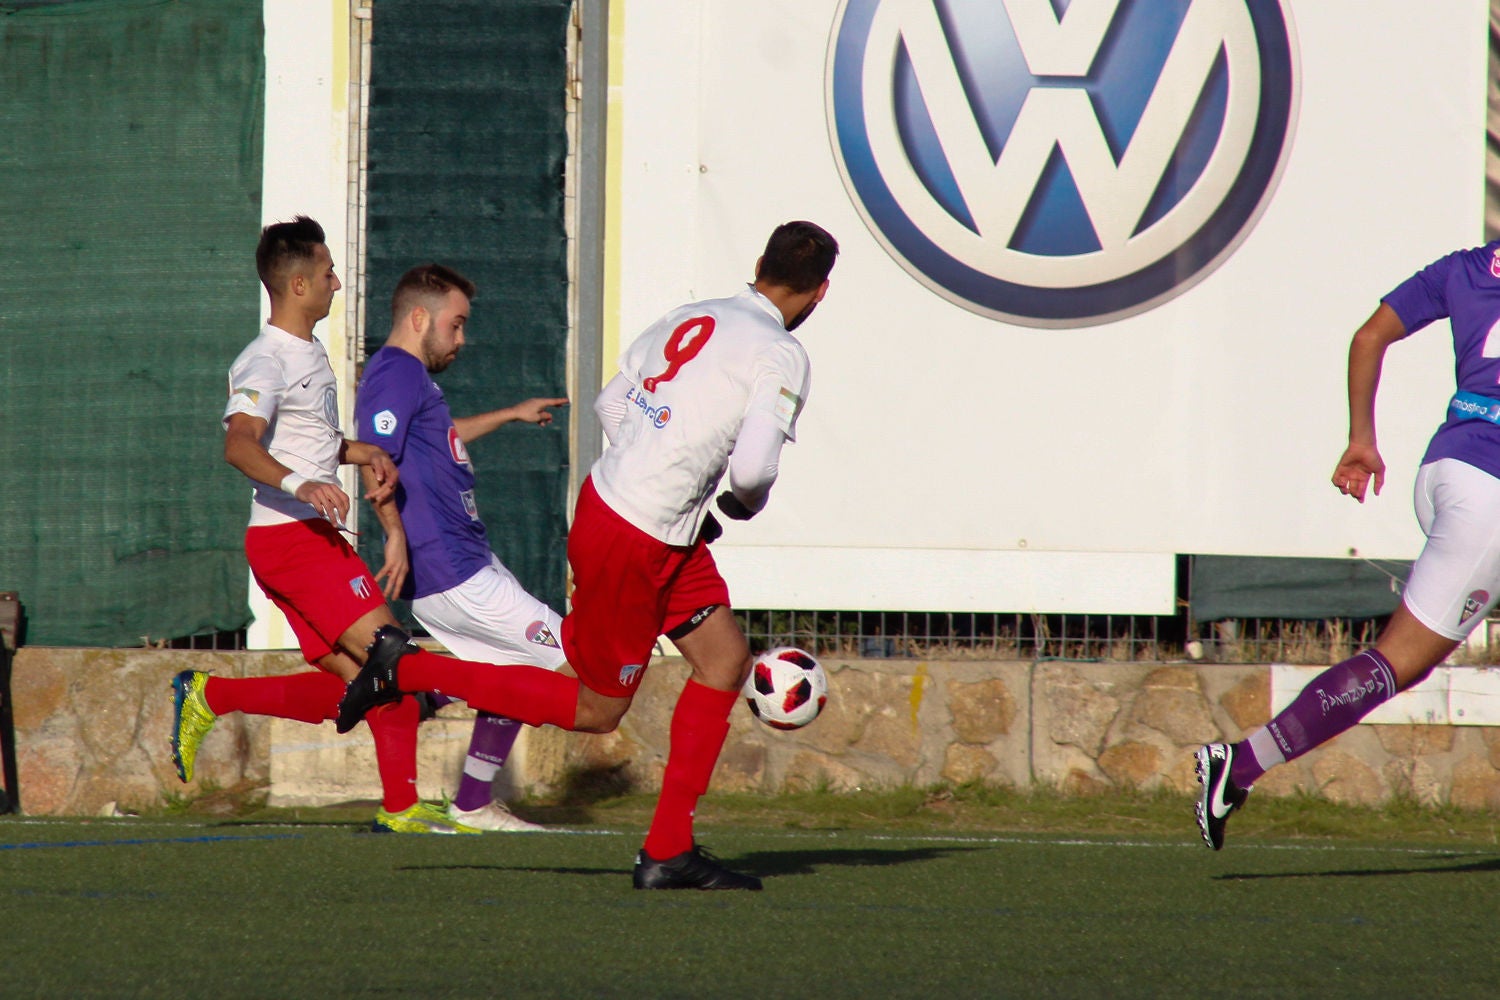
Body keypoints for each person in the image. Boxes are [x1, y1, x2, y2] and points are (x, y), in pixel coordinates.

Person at [335, 221, 840, 889]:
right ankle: (413, 671)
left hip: (629, 513)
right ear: (821, 292)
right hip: (642, 533)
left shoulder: (697, 314)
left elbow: (612, 401)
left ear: (758, 264)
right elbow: (750, 474)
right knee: (598, 709)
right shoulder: (780, 353)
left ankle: (669, 851)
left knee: (723, 663)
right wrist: (725, 510)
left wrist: (650, 461)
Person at [169, 216, 490, 835]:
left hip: (307, 540)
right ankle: (470, 709)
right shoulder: (263, 361)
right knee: (393, 659)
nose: (336, 283)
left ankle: (211, 697)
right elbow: (240, 446)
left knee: (377, 689)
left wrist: (356, 453)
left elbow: (308, 443)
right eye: (326, 273)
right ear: (296, 284)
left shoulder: (308, 352)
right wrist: (304, 485)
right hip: (290, 542)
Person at [1196, 241, 1500, 849]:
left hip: (1447, 468)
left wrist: (1362, 439)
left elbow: (1368, 337)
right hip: (1489, 499)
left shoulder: (1466, 266)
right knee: (1395, 664)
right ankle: (1241, 764)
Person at [354, 262, 569, 832]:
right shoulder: (395, 372)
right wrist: (395, 533)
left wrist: (511, 413)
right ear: (419, 317)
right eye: (456, 325)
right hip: (451, 568)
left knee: (512, 669)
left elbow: (438, 440)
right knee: (569, 664)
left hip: (466, 562)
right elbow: (372, 457)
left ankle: (469, 794)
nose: (462, 339)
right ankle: (414, 692)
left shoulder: (413, 379)